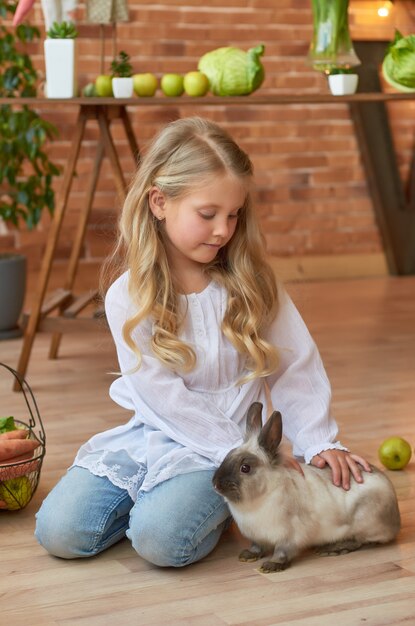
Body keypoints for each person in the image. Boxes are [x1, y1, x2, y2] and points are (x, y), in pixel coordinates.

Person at [35, 117, 371, 566]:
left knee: (162, 542)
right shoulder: (129, 296)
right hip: (161, 433)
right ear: (159, 202)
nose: (223, 230)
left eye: (234, 215)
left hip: (231, 451)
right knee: (59, 532)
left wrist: (319, 439)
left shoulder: (252, 283)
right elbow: (165, 399)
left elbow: (296, 363)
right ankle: (158, 497)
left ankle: (190, 507)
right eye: (207, 214)